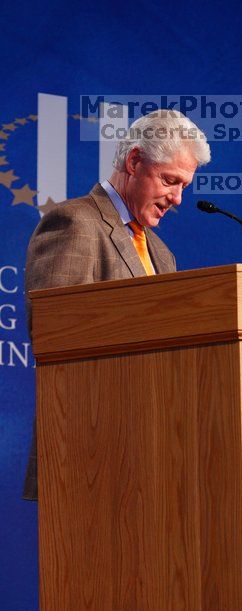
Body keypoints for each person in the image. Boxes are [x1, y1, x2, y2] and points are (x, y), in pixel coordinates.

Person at [22, 109, 211, 500]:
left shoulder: (162, 253)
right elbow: (55, 337)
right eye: (170, 181)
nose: (177, 199)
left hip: (153, 452)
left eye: (184, 186)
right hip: (88, 451)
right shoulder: (74, 223)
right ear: (134, 161)